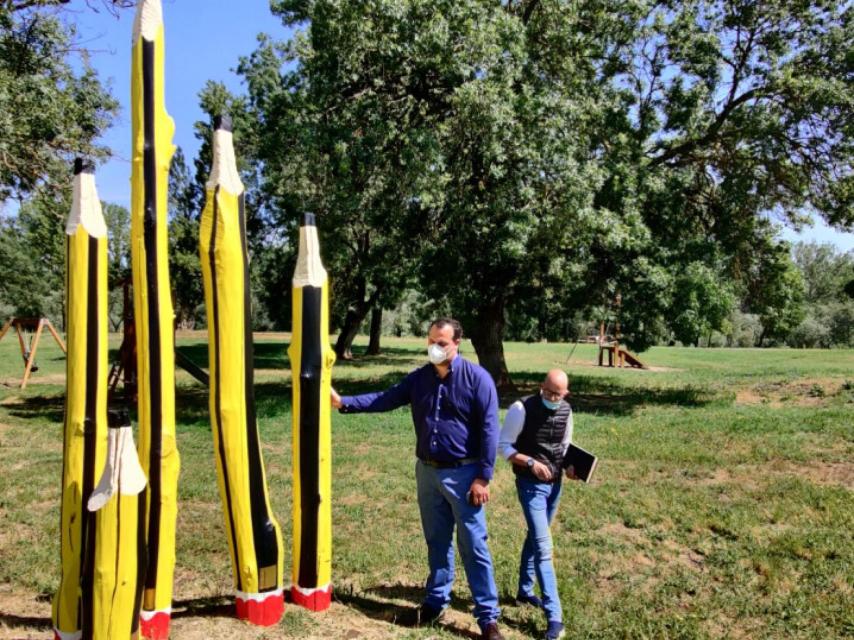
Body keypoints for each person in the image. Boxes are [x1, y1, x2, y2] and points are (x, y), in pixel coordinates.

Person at [331, 318, 504, 640]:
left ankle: (487, 618)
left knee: (474, 545)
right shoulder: (420, 379)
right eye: (430, 342)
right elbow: (386, 398)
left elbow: (490, 429)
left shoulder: (478, 379)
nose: (434, 348)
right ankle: (435, 602)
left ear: (457, 344)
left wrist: (483, 477)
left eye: (441, 343)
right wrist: (344, 403)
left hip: (464, 474)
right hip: (427, 472)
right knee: (437, 542)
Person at [498, 369, 574, 640]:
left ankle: (524, 591)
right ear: (541, 387)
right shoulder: (521, 408)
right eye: (549, 392)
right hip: (530, 486)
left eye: (559, 394)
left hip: (555, 485)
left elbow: (564, 447)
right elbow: (503, 446)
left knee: (535, 537)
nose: (553, 398)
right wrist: (530, 462)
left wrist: (571, 467)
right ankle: (555, 618)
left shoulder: (566, 410)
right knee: (544, 547)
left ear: (566, 393)